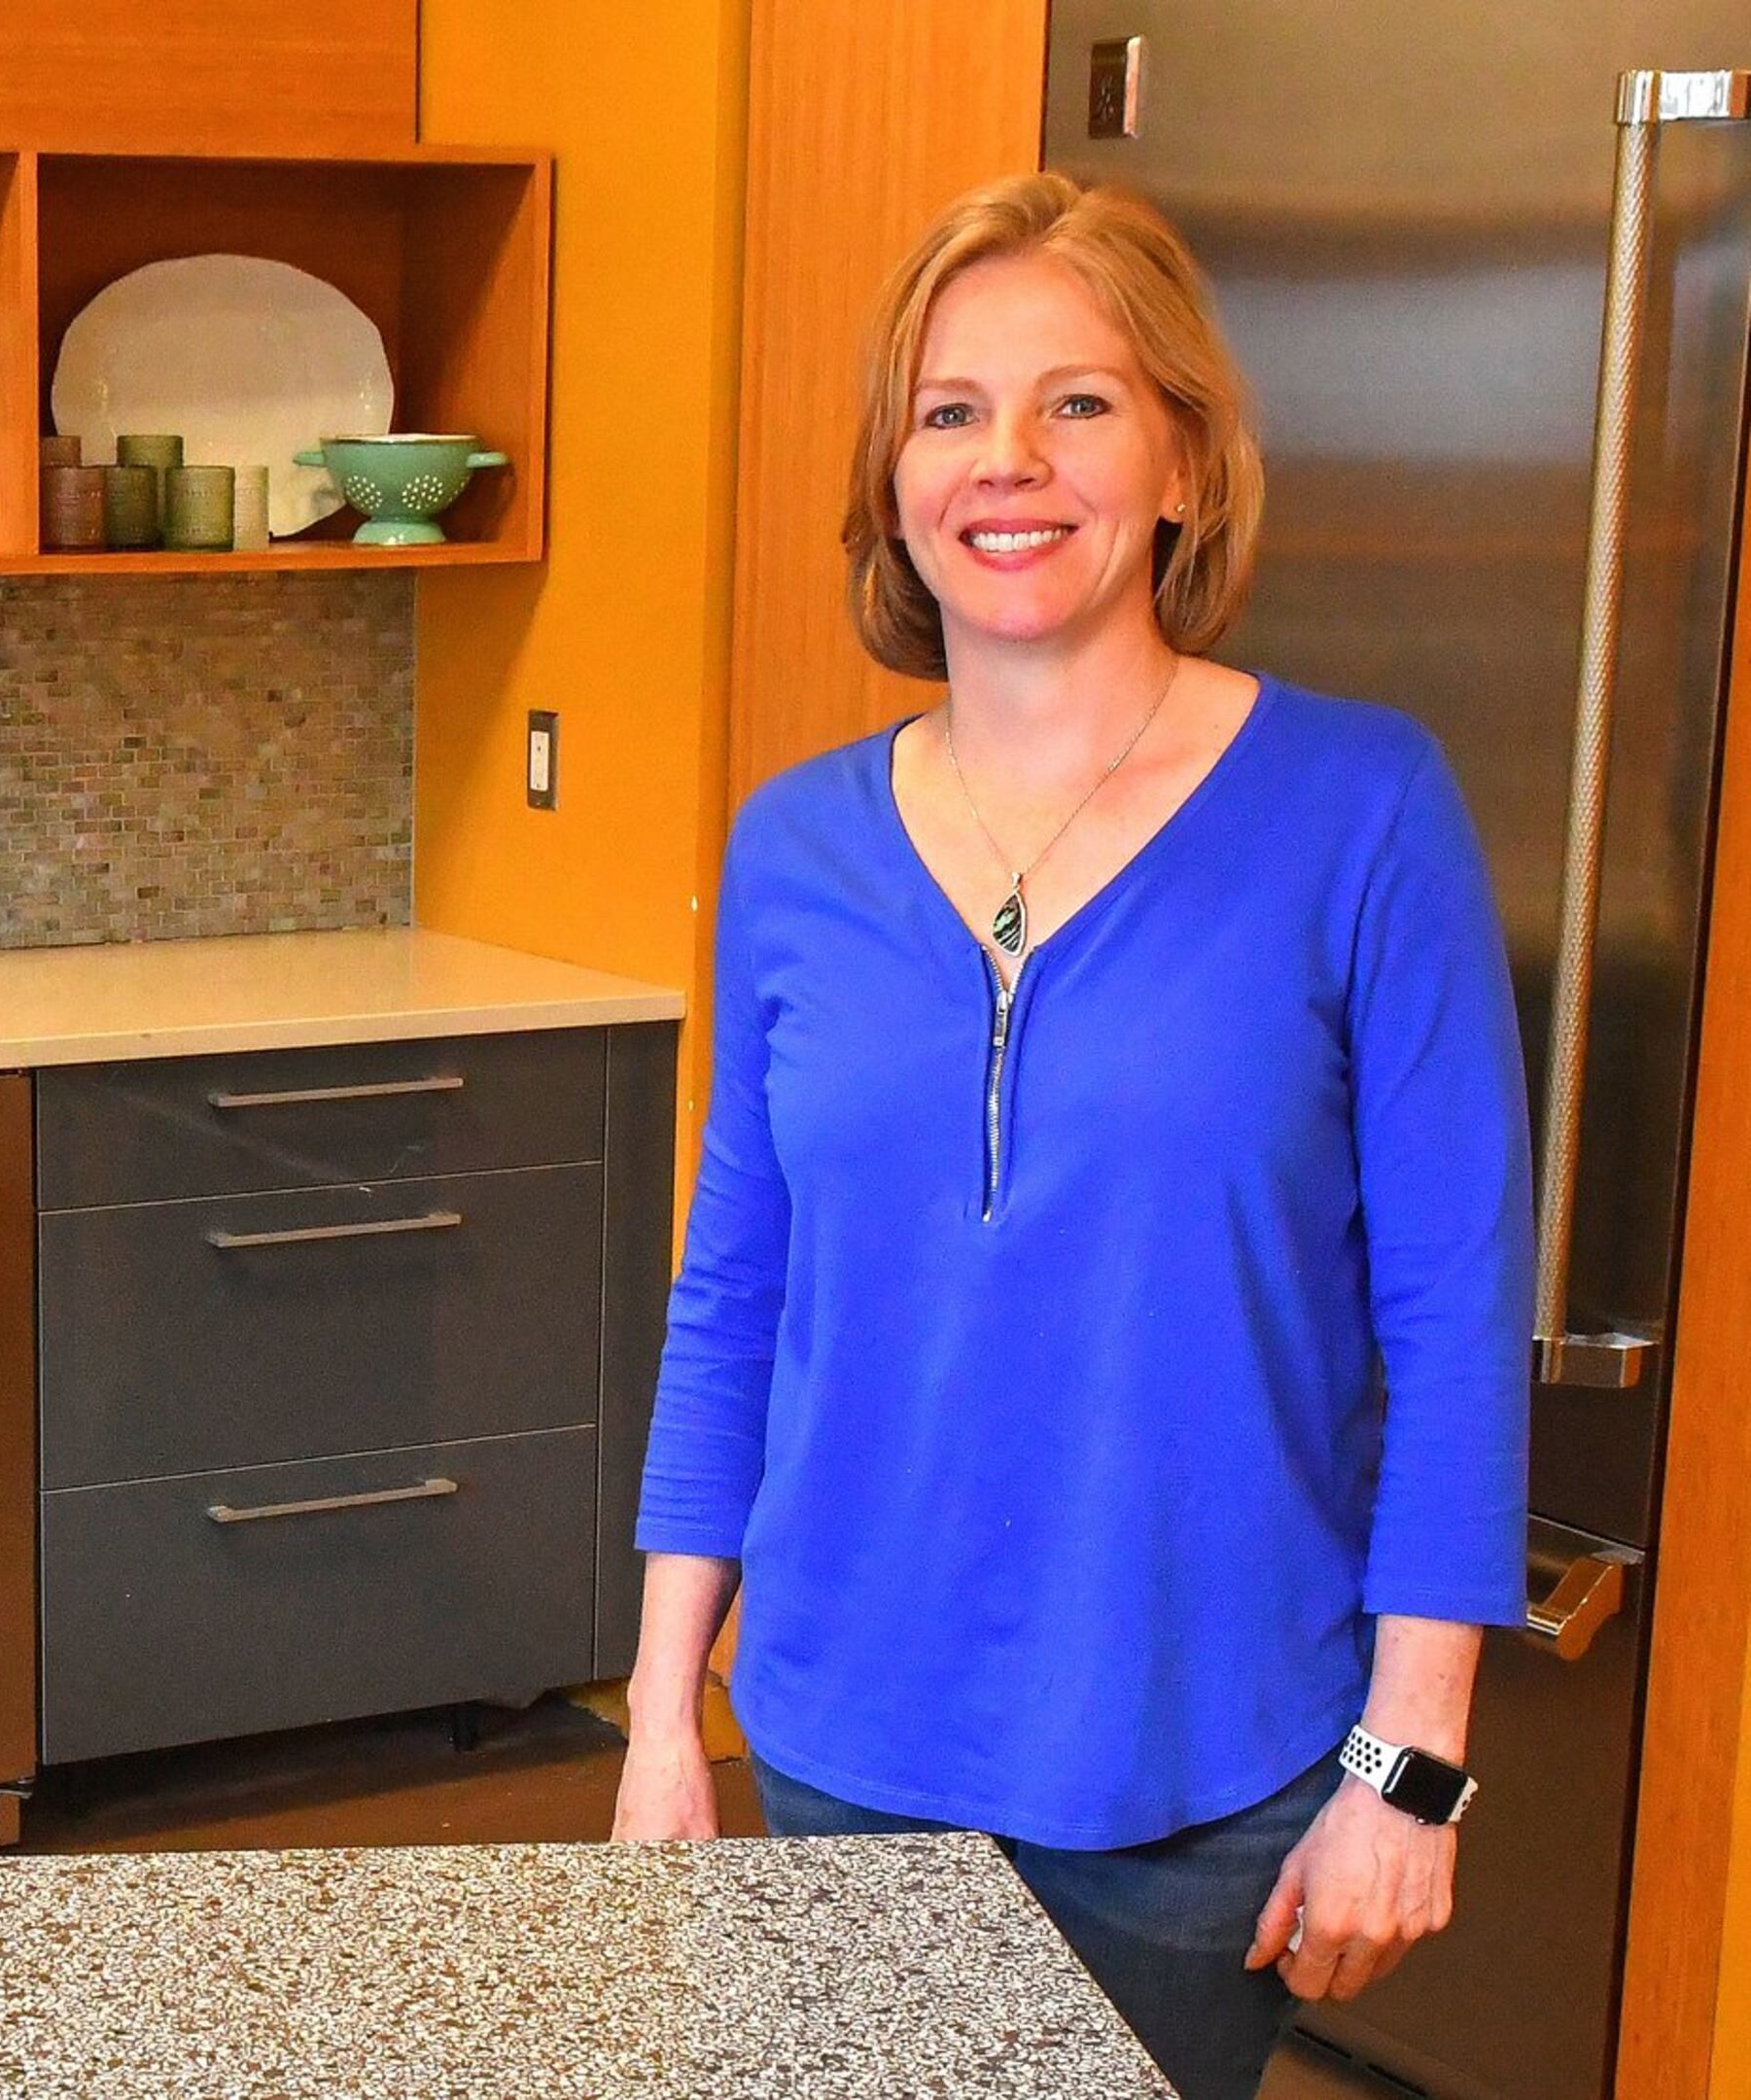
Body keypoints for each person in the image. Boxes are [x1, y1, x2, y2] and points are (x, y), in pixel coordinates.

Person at [609, 172, 1529, 2100]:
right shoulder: (796, 846)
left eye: (1081, 403)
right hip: (842, 1743)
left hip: (1200, 1772)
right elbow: (735, 1302)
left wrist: (1410, 1767)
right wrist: (662, 1719)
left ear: (1186, 460)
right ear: (893, 479)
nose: (1009, 461)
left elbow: (1457, 1328)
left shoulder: (1361, 812)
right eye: (951, 410)